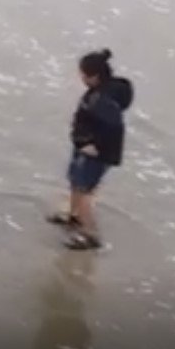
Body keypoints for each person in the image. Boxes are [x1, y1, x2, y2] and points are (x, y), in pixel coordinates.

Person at [49, 49, 134, 251]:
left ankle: (91, 235)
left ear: (94, 76)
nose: (82, 78)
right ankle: (74, 216)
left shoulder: (102, 100)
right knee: (76, 183)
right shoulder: (111, 89)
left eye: (83, 75)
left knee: (85, 190)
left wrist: (91, 146)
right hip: (88, 148)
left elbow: (113, 127)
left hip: (94, 153)